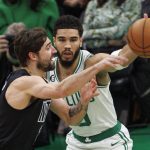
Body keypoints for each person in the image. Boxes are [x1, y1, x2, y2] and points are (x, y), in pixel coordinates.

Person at [0, 27, 127, 150]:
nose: (54, 51)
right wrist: (97, 66)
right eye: (48, 47)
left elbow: (70, 117)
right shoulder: (24, 82)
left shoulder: (41, 86)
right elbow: (60, 90)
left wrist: (83, 102)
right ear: (33, 56)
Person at [47, 15, 138, 150]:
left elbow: (122, 60)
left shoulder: (93, 62)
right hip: (76, 143)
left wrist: (138, 42)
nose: (67, 45)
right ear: (54, 41)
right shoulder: (47, 70)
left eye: (73, 40)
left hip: (111, 142)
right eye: (61, 40)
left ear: (80, 41)